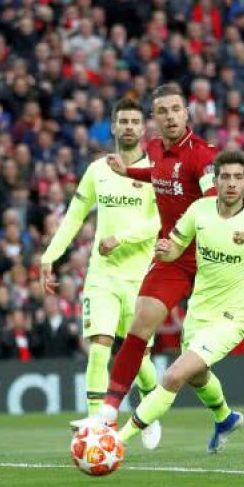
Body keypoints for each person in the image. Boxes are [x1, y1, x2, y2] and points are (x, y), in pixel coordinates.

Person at [71, 83, 244, 430]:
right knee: (140, 324)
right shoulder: (156, 149)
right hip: (174, 255)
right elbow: (161, 175)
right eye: (162, 111)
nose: (170, 117)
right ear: (153, 120)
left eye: (176, 109)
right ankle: (108, 411)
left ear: (187, 113)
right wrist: (129, 172)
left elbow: (214, 199)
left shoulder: (203, 156)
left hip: (213, 255)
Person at [118, 151, 244, 452]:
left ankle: (116, 441)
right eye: (225, 177)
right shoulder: (199, 210)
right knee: (197, 376)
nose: (231, 183)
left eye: (237, 177)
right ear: (215, 181)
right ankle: (225, 417)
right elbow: (176, 250)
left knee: (173, 375)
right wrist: (165, 249)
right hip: (197, 315)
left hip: (230, 320)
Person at [40, 97, 164, 448]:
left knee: (138, 356)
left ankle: (148, 411)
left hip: (141, 277)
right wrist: (50, 256)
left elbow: (159, 222)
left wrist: (121, 237)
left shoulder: (154, 171)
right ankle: (97, 426)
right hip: (102, 275)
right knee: (100, 344)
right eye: (122, 121)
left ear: (143, 128)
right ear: (112, 127)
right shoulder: (97, 170)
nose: (128, 127)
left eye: (134, 122)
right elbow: (74, 216)